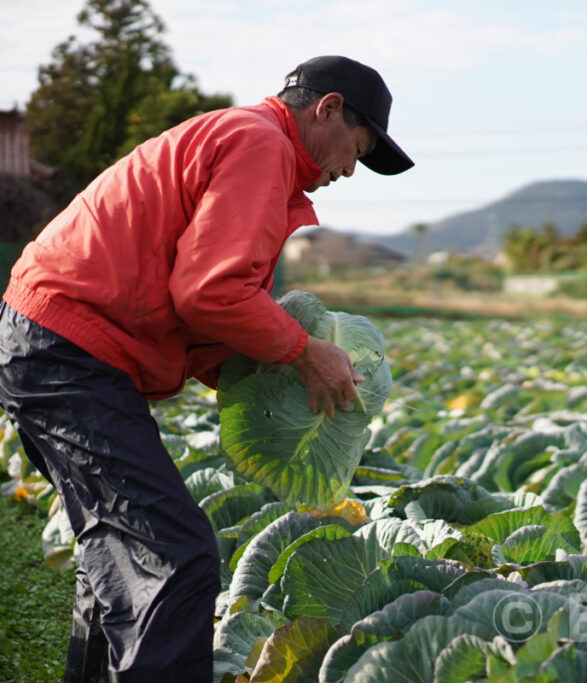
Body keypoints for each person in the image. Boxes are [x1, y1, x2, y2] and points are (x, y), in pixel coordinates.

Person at [0, 55, 413, 681]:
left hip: (56, 344)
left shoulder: (247, 139)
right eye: (357, 149)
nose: (350, 170)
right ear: (326, 108)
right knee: (176, 553)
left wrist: (277, 378)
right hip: (67, 350)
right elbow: (210, 292)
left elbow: (198, 307)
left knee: (119, 553)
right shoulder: (260, 144)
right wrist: (304, 352)